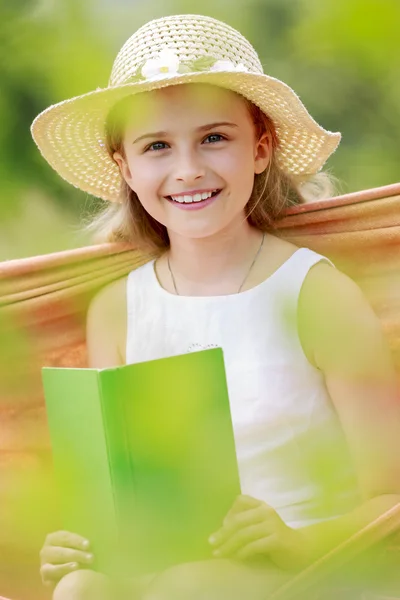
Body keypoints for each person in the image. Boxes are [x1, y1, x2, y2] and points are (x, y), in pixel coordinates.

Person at [31, 14, 400, 600]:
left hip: (310, 568)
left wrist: (295, 543)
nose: (188, 169)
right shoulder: (118, 311)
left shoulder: (315, 295)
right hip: (172, 570)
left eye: (214, 138)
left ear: (260, 149)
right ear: (126, 168)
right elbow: (130, 497)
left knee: (192, 584)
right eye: (157, 147)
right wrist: (83, 540)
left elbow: (391, 504)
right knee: (81, 587)